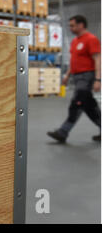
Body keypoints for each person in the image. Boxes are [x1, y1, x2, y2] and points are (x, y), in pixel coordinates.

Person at [47, 15, 101, 143]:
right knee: (90, 107)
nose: (70, 28)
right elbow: (74, 61)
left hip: (87, 77)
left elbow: (98, 59)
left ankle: (63, 132)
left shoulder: (91, 39)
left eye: (72, 25)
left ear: (81, 25)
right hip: (77, 77)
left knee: (76, 103)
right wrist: (67, 75)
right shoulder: (75, 41)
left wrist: (98, 79)